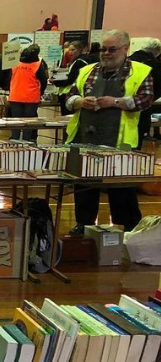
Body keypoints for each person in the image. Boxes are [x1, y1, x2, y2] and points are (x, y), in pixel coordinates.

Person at [65, 30, 154, 234]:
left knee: (121, 189)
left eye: (112, 49)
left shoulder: (141, 72)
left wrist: (116, 102)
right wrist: (80, 101)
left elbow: (146, 99)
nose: (106, 53)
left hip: (120, 141)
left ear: (126, 48)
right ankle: (83, 224)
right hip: (85, 138)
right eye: (104, 49)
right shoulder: (87, 71)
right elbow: (70, 97)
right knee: (85, 186)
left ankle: (129, 229)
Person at [0, 44, 48, 141]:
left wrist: (10, 89)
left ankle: (15, 140)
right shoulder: (38, 65)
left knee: (15, 121)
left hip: (15, 96)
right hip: (31, 97)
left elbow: (8, 79)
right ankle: (27, 142)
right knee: (28, 122)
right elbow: (44, 81)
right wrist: (40, 93)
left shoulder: (14, 64)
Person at [128, 38, 161, 147]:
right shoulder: (155, 65)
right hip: (143, 110)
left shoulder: (127, 60)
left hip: (121, 108)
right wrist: (149, 99)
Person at [51, 40, 93, 115]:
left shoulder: (80, 62)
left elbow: (70, 79)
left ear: (80, 50)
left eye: (73, 50)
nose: (70, 52)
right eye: (69, 50)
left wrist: (55, 81)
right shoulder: (81, 60)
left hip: (70, 93)